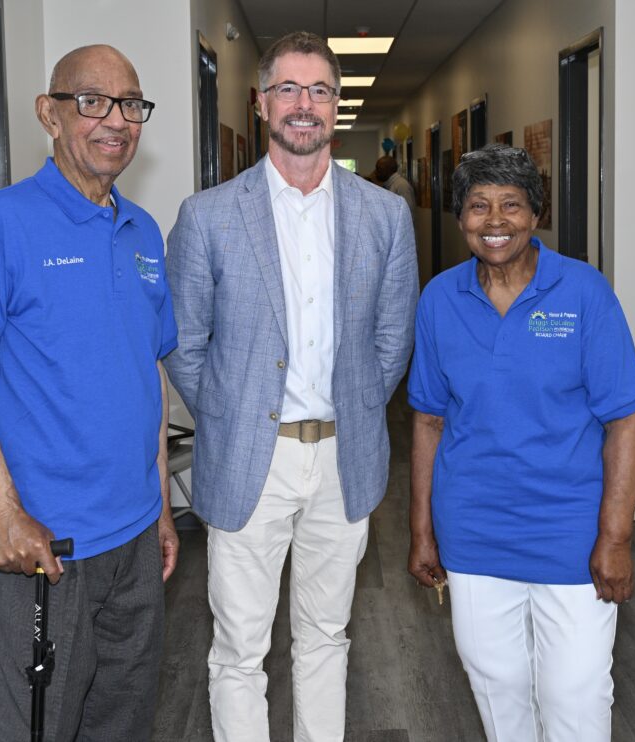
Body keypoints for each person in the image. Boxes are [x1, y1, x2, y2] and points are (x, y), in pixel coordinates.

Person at [164, 30, 417, 742]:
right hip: (252, 457)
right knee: (240, 648)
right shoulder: (208, 216)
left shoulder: (385, 215)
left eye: (320, 91)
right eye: (289, 90)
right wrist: (233, 414)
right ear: (262, 101)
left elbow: (393, 339)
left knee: (325, 636)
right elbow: (185, 344)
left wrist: (361, 405)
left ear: (335, 105)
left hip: (345, 456)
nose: (304, 105)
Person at [0, 45, 179, 742]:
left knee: (124, 719)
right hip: (48, 546)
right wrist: (4, 511)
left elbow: (147, 373)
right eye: (92, 101)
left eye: (130, 104)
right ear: (50, 112)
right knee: (40, 727)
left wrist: (160, 506)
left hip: (133, 536)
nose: (116, 120)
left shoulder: (144, 233)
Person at [407, 143, 635, 742]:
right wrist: (421, 531)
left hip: (570, 530)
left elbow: (626, 418)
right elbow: (429, 420)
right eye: (479, 206)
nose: (494, 221)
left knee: (575, 697)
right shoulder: (440, 299)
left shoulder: (583, 292)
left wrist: (615, 538)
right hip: (475, 531)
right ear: (460, 216)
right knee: (498, 691)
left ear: (535, 214)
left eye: (511, 205)